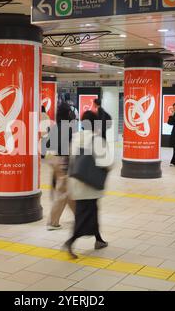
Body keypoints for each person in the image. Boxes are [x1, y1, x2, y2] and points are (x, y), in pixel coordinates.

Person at [64, 111, 113, 259]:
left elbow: (71, 159)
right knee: (85, 215)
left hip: (76, 183)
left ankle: (98, 240)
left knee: (90, 211)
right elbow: (108, 163)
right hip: (90, 185)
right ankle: (71, 241)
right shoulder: (97, 140)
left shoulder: (75, 138)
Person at [46, 102, 77, 231]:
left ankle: (80, 218)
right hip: (62, 160)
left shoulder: (56, 126)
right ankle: (52, 223)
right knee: (63, 192)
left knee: (67, 191)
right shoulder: (67, 127)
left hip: (53, 159)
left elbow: (47, 144)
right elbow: (67, 148)